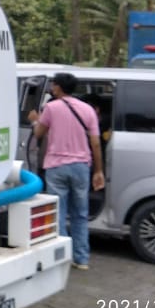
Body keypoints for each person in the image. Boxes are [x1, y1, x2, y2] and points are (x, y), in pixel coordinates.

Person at [27, 72, 105, 270]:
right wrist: (98, 171)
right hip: (81, 167)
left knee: (58, 213)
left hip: (57, 166)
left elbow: (38, 134)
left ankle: (62, 258)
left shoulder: (51, 108)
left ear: (59, 87)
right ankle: (82, 258)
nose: (52, 88)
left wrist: (35, 120)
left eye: (54, 85)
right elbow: (95, 143)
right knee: (80, 213)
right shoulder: (87, 110)